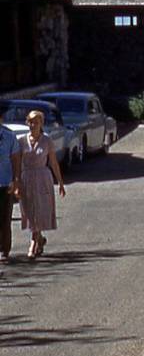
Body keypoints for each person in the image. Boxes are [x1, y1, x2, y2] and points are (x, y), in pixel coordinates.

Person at [17, 110, 65, 260]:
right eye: (30, 122)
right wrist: (16, 181)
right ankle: (40, 239)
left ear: (41, 124)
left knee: (40, 210)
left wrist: (60, 182)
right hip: (27, 178)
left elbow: (53, 162)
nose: (33, 125)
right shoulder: (21, 141)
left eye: (36, 122)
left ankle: (33, 243)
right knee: (30, 211)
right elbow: (17, 163)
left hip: (43, 178)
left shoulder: (47, 141)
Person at [0, 122, 17, 263]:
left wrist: (15, 180)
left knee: (5, 219)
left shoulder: (9, 136)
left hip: (5, 183)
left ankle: (4, 250)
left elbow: (16, 159)